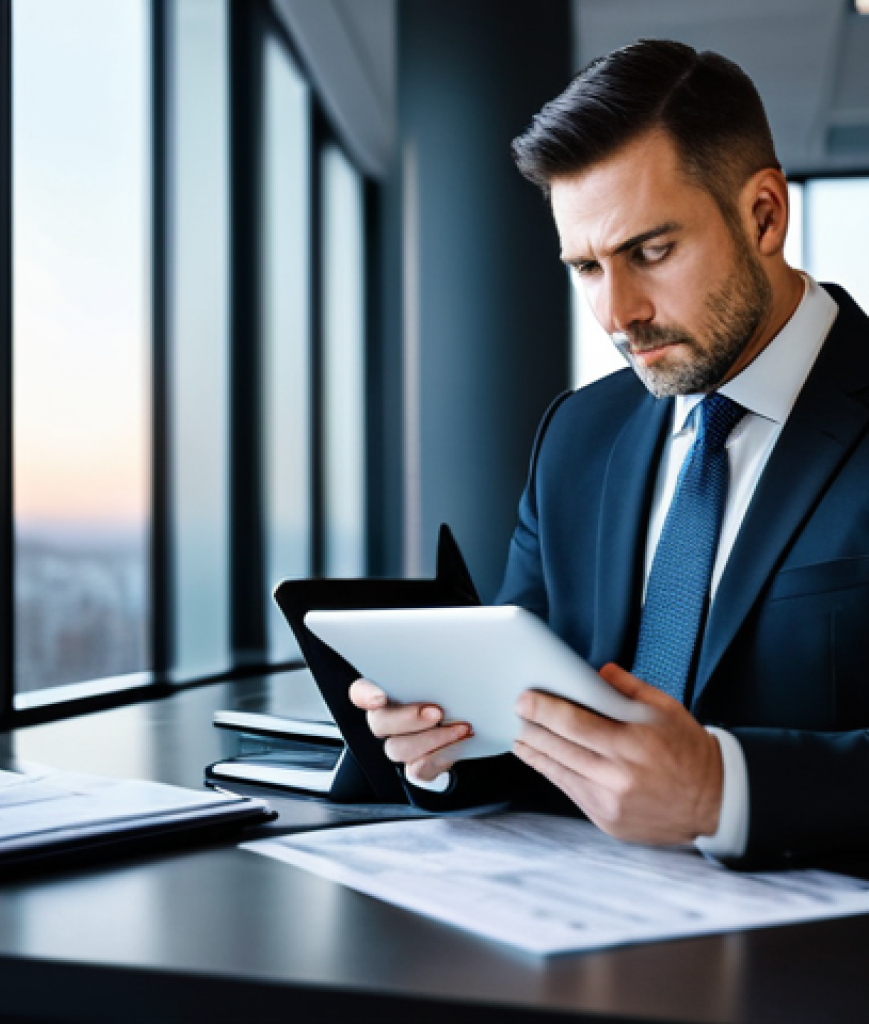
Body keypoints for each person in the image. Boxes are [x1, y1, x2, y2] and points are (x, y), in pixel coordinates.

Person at [351, 39, 869, 869]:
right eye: (586, 267)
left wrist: (720, 790)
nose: (617, 314)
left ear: (765, 215)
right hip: (583, 950)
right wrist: (443, 747)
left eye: (651, 252)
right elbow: (523, 722)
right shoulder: (576, 437)